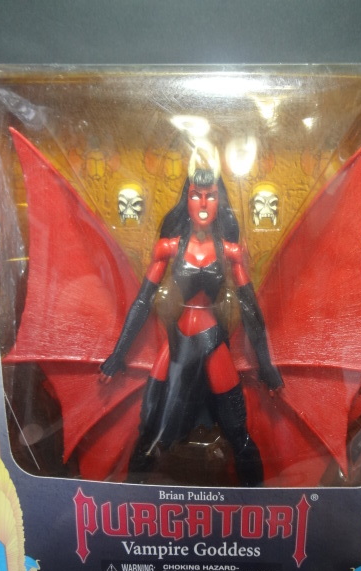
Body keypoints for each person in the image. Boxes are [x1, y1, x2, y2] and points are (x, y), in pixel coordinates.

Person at [100, 156, 282, 486]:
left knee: (237, 431)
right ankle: (132, 496)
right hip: (177, 340)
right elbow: (142, 301)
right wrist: (118, 354)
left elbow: (251, 309)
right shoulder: (168, 248)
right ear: (186, 200)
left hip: (211, 341)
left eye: (210, 196)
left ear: (219, 201)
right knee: (149, 426)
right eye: (196, 195)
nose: (203, 203)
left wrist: (266, 366)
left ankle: (257, 500)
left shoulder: (230, 252)